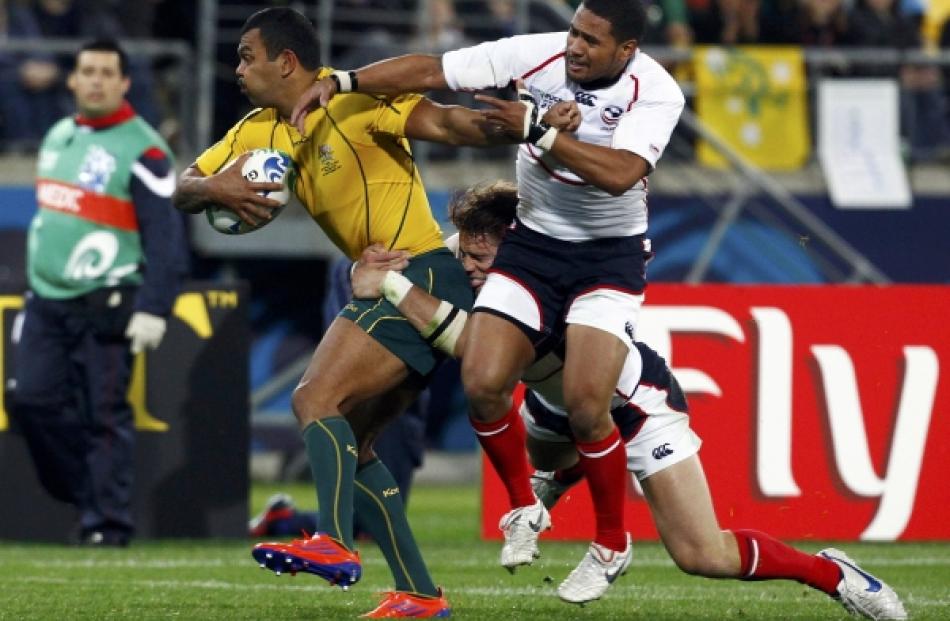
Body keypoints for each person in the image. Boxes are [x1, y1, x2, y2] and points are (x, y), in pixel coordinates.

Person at [349, 181, 907, 619]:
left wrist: (394, 288)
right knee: (542, 453)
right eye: (467, 254)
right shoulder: (497, 253)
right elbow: (446, 254)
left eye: (480, 257)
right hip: (552, 406)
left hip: (633, 406)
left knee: (702, 555)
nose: (469, 267)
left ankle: (834, 575)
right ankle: (563, 476)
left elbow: (473, 349)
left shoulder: (542, 284)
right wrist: (386, 261)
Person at [291, 0, 684, 596]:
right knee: (481, 378)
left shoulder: (655, 91)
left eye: (592, 41)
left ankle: (610, 543)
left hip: (608, 255)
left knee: (584, 405)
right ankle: (524, 507)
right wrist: (343, 81)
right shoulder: (540, 52)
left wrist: (537, 131)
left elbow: (621, 173)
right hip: (533, 245)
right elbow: (433, 69)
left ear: (626, 50)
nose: (575, 47)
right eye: (574, 31)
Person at [170, 7, 551, 618]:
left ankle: (337, 544)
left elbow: (450, 123)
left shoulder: (359, 100)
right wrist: (217, 189)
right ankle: (421, 594)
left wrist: (525, 129)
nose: (237, 68)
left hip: (421, 271)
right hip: (382, 277)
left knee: (312, 400)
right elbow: (182, 186)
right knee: (361, 444)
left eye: (247, 55)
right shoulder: (253, 131)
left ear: (286, 61)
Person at [9, 39, 185, 547]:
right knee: (31, 400)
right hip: (46, 298)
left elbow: (166, 235)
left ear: (125, 83)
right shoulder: (59, 134)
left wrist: (154, 306)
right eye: (87, 71)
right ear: (72, 79)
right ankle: (85, 493)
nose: (96, 80)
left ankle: (107, 525)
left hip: (108, 300)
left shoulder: (146, 149)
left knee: (104, 416)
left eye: (107, 72)